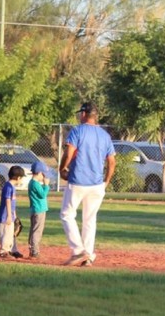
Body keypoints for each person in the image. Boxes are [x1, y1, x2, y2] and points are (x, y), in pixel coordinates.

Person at [59, 101, 116, 266]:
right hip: (97, 184)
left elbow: (69, 153)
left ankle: (78, 251)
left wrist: (62, 168)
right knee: (90, 219)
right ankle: (88, 257)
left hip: (78, 180)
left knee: (67, 214)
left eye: (80, 113)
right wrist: (106, 182)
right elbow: (112, 162)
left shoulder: (78, 130)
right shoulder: (105, 136)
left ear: (84, 114)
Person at [0, 165, 25, 258]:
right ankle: (3, 252)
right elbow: (8, 201)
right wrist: (9, 216)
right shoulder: (8, 187)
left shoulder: (11, 186)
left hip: (10, 215)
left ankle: (12, 250)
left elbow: (12, 203)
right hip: (6, 216)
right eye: (21, 178)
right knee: (6, 233)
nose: (21, 181)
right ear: (18, 178)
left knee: (11, 234)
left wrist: (14, 215)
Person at [27, 160, 50, 258]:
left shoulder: (32, 183)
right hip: (39, 210)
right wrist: (46, 185)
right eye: (43, 174)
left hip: (35, 209)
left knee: (33, 230)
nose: (44, 177)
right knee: (37, 230)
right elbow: (43, 195)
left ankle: (32, 250)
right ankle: (34, 251)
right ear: (40, 173)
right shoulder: (35, 184)